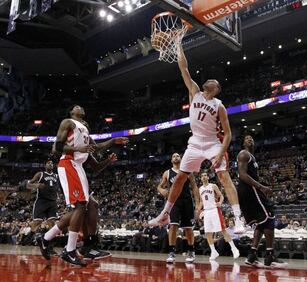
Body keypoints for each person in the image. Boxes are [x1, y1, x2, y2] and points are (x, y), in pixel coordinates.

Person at [149, 44, 245, 234]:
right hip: (195, 142)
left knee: (224, 177)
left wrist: (220, 153)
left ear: (216, 88)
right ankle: (166, 213)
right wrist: (178, 47)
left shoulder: (219, 106)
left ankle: (238, 217)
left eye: (212, 80)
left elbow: (228, 134)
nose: (208, 79)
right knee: (179, 178)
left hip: (212, 143)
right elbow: (183, 68)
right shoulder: (194, 91)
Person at [36, 105, 128, 266]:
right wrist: (78, 148)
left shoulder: (85, 130)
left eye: (81, 106)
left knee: (89, 205)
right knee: (80, 206)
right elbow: (57, 147)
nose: (79, 106)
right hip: (68, 163)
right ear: (71, 112)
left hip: (78, 167)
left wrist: (113, 142)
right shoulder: (68, 122)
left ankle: (46, 238)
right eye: (75, 106)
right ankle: (70, 249)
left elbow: (97, 153)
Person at [237, 135, 286, 268]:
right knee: (269, 217)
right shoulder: (243, 154)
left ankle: (252, 255)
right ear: (243, 142)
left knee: (260, 222)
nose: (250, 139)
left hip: (248, 190)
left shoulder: (252, 157)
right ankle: (270, 256)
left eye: (252, 138)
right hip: (249, 190)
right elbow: (242, 175)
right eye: (247, 138)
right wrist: (261, 187)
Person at [156, 153, 199, 263]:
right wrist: (163, 191)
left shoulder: (187, 171)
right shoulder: (167, 173)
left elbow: (194, 187)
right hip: (174, 201)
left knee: (188, 227)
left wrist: (198, 204)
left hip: (187, 200)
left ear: (181, 159)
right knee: (173, 226)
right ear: (171, 160)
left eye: (177, 156)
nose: (176, 157)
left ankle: (191, 251)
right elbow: (159, 186)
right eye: (173, 156)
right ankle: (171, 252)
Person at [196, 171, 239, 261]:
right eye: (202, 176)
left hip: (214, 210)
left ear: (208, 177)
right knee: (207, 232)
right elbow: (201, 201)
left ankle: (234, 249)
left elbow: (221, 195)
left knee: (222, 230)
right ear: (200, 178)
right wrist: (198, 211)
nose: (204, 177)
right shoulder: (200, 189)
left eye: (205, 175)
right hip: (206, 211)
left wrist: (220, 202)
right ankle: (213, 251)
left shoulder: (213, 186)